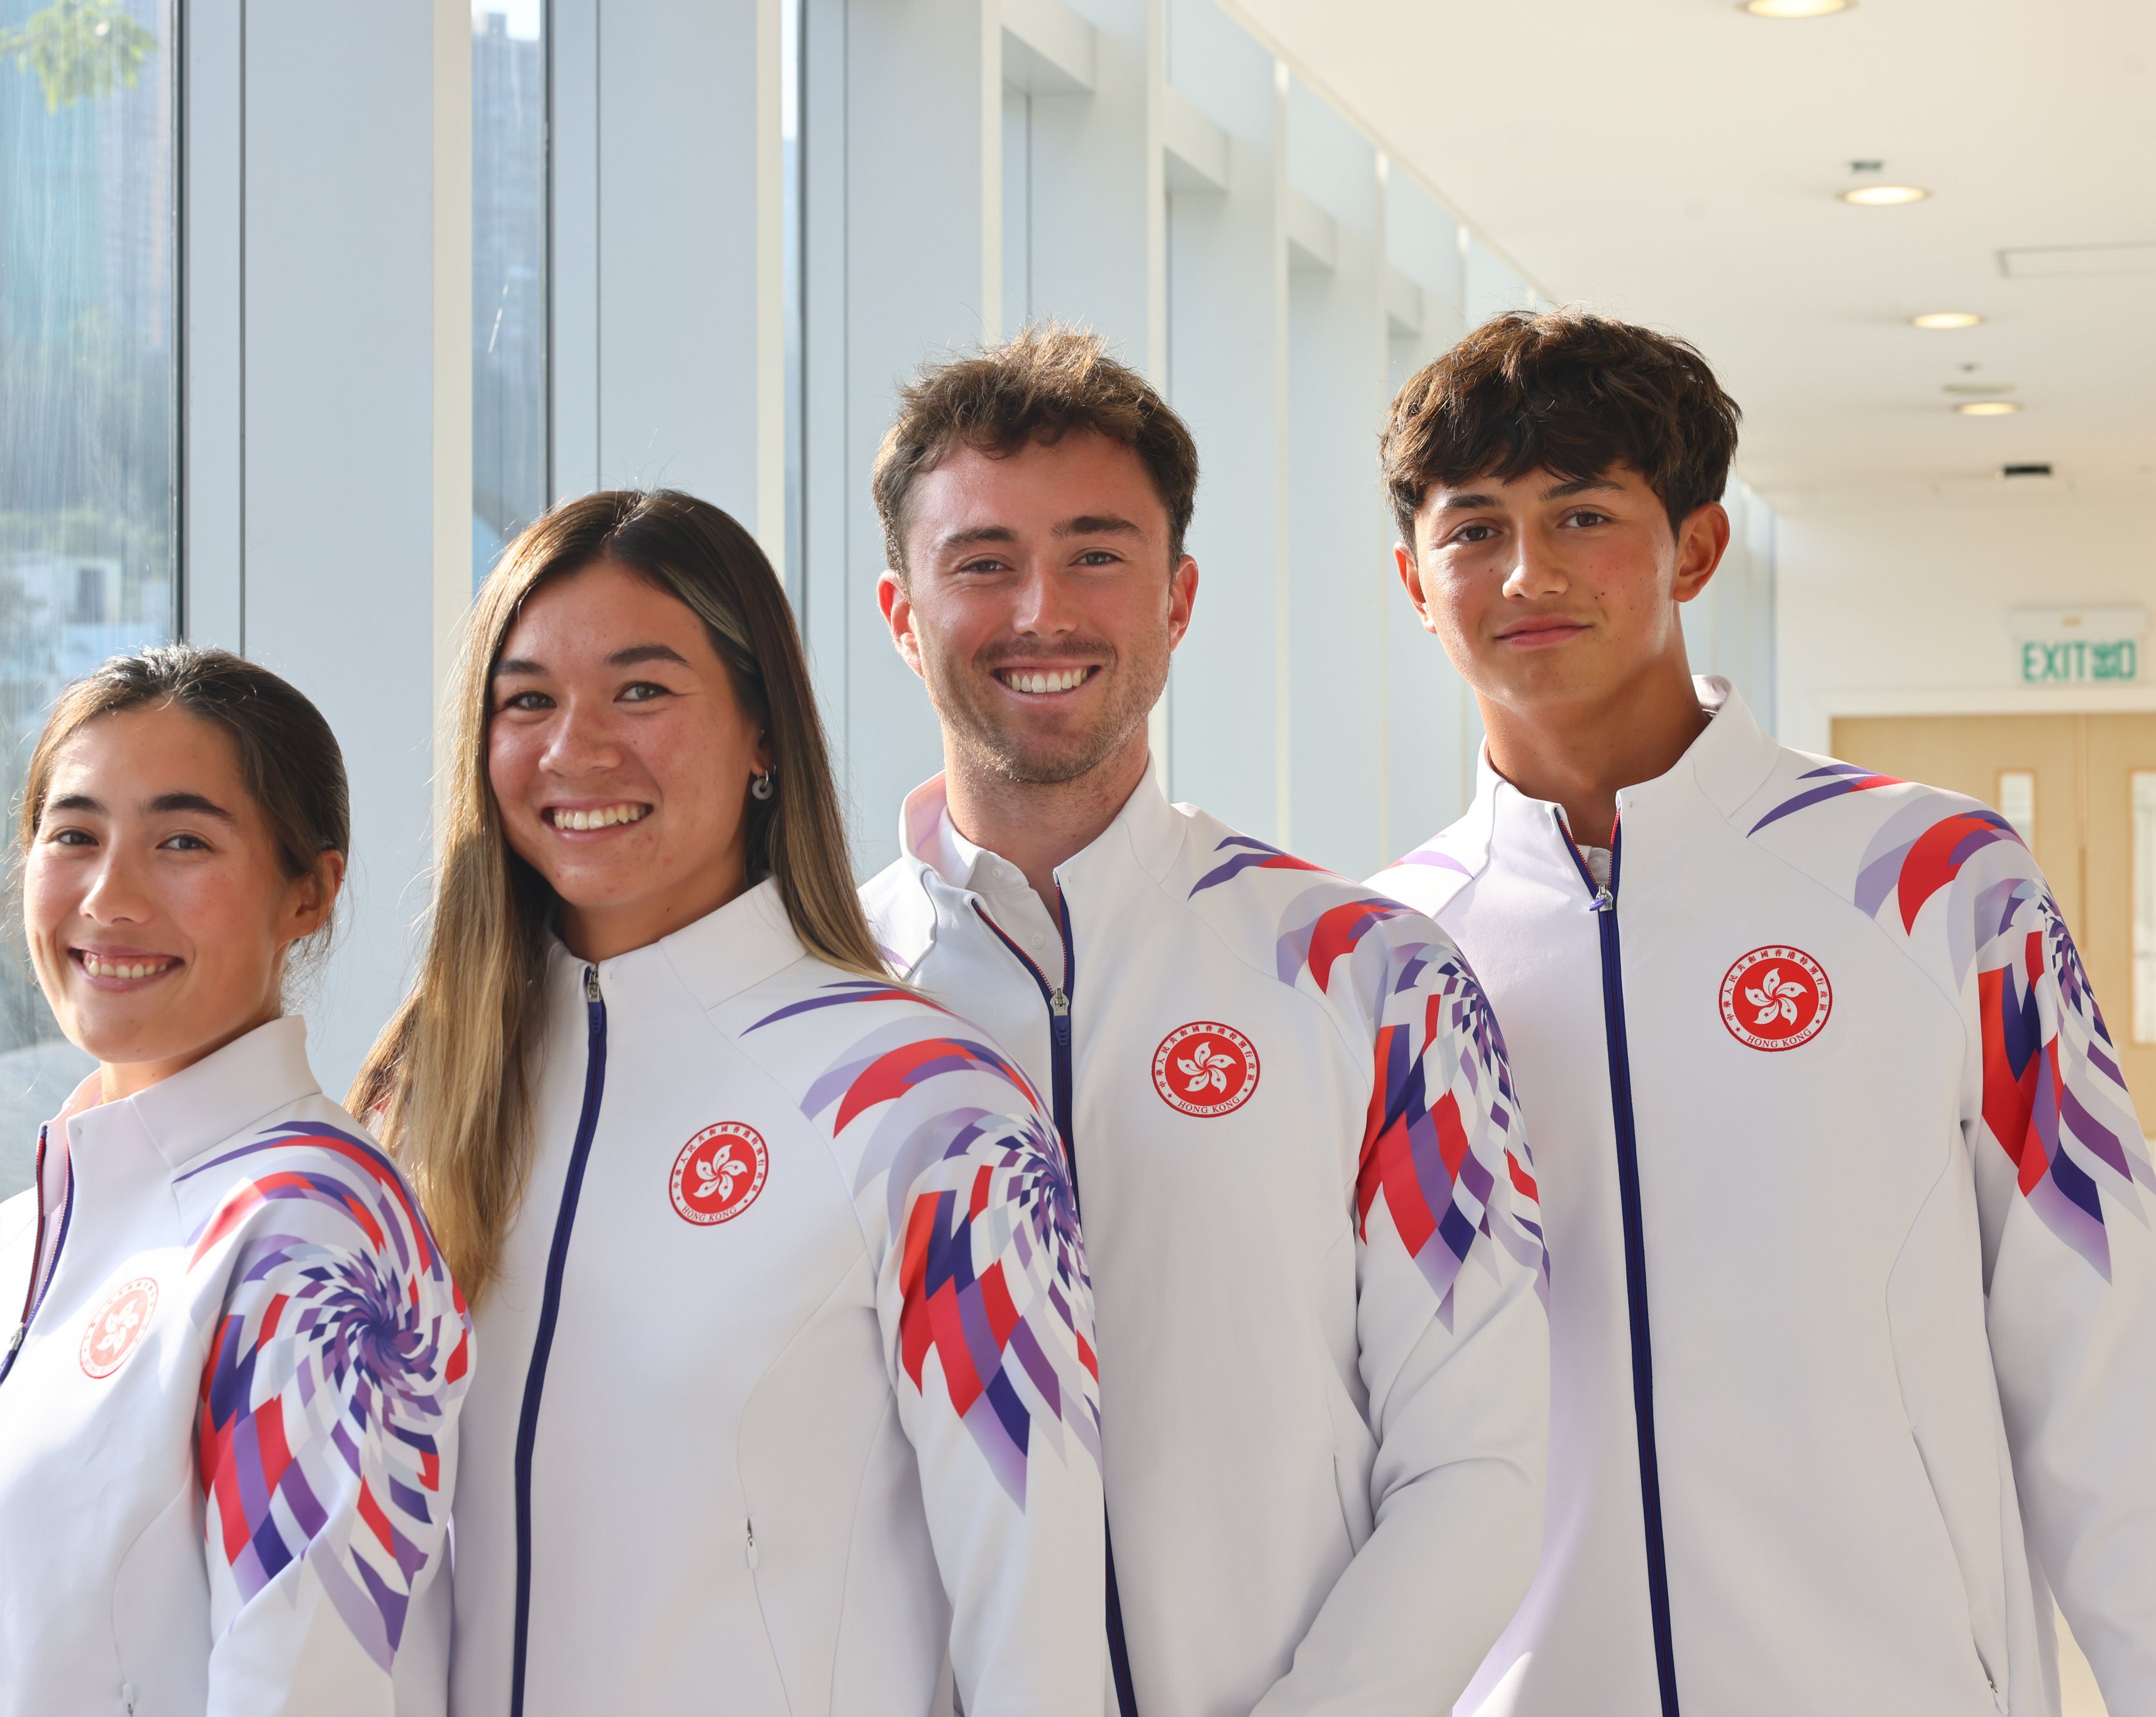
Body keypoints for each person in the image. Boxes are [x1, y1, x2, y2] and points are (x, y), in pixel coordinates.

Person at [1372, 307, 2156, 1716]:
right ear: (1410, 578)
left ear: (1694, 546)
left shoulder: (1933, 882)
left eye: (1581, 513)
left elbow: (2105, 1341)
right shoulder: (1378, 960)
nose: (1524, 570)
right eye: (1472, 526)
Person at [859, 325, 1551, 1716]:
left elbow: (1478, 1462)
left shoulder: (1368, 978)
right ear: (899, 612)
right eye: (981, 561)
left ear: (1177, 600)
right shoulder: (819, 1002)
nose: (1039, 608)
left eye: (1096, 553)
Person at [356, 488, 1108, 1716]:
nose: (575, 748)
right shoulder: (415, 1107)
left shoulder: (925, 1109)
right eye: (527, 699)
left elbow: (1037, 1643)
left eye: (641, 690)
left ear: (762, 731)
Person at [0, 647, 471, 1717]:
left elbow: (313, 1684)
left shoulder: (309, 1233)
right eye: (74, 836)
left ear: (309, 892)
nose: (111, 897)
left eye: (183, 841)